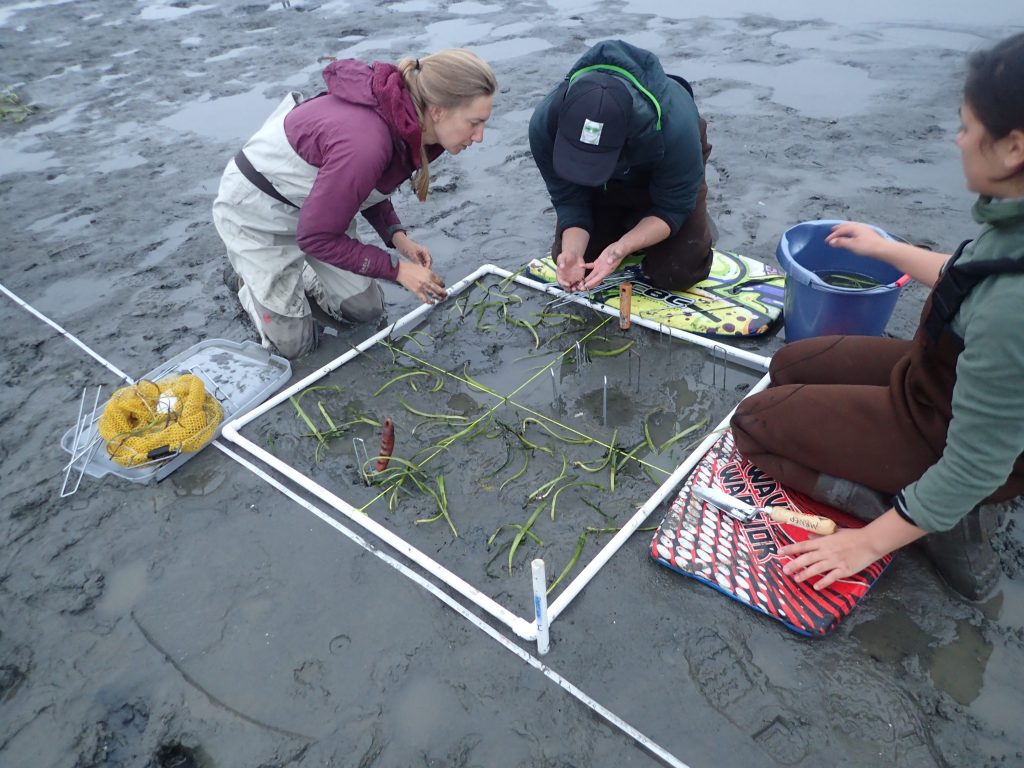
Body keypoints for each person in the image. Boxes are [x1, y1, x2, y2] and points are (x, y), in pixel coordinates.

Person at [731, 32, 1024, 601]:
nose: (958, 140)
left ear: (1014, 148)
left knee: (753, 425)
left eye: (967, 127)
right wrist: (885, 249)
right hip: (932, 383)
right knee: (789, 364)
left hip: (946, 438)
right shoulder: (1013, 221)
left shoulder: (1016, 307)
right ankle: (914, 496)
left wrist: (863, 544)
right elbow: (974, 275)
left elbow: (975, 463)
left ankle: (918, 518)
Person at [213, 49, 496, 359]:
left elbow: (366, 187)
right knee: (296, 347)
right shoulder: (365, 143)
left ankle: (297, 272)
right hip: (259, 212)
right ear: (439, 111)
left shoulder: (405, 119)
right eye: (474, 123)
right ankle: (246, 281)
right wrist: (398, 270)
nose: (479, 136)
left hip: (318, 208)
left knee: (365, 310)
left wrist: (397, 237)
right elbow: (317, 236)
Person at [528, 39, 713, 294]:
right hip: (604, 186)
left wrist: (621, 248)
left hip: (657, 173)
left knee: (677, 273)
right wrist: (572, 252)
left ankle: (688, 222)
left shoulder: (675, 130)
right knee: (581, 262)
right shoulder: (544, 125)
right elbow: (569, 198)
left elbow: (673, 206)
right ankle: (621, 221)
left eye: (595, 160)